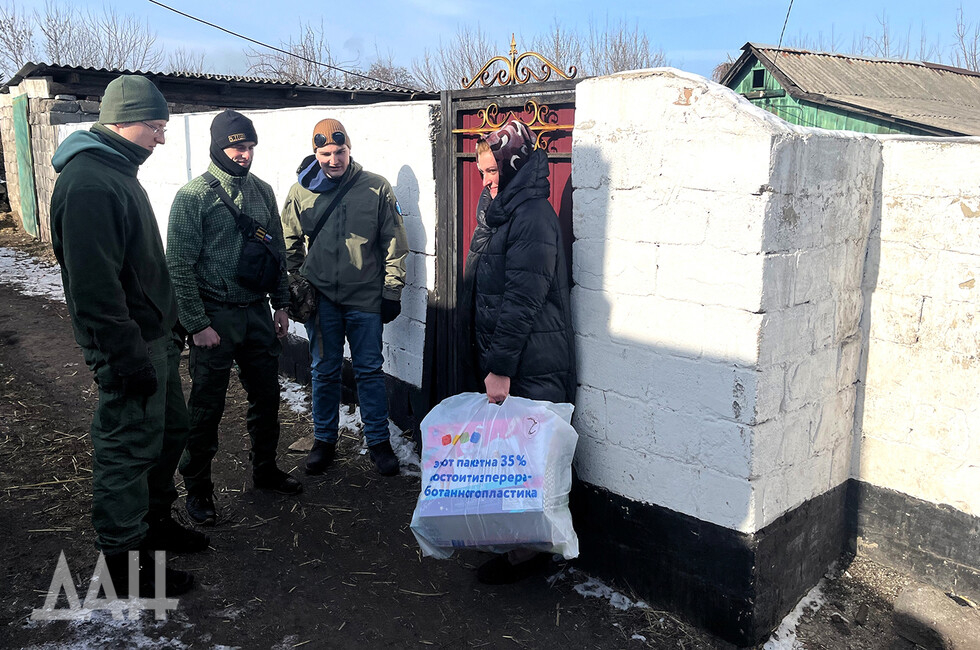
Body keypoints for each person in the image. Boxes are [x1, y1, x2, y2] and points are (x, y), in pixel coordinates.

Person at [50, 74, 206, 598]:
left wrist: (172, 318)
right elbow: (94, 287)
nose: (161, 138)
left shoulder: (119, 169)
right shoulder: (90, 181)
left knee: (168, 434)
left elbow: (138, 266)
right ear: (122, 121)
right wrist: (125, 354)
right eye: (155, 127)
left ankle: (155, 525)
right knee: (127, 447)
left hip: (155, 337)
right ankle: (124, 563)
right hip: (130, 347)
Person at [167, 110, 302, 526]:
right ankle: (199, 489)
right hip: (215, 316)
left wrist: (281, 305)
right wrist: (196, 323)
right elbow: (178, 266)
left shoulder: (262, 191)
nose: (244, 155)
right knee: (207, 406)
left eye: (249, 147)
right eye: (236, 146)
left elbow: (276, 253)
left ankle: (265, 469)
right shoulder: (194, 197)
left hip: (257, 313)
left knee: (267, 396)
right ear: (219, 146)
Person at [461, 119, 576, 584]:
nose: (483, 180)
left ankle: (530, 554)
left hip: (530, 360)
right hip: (512, 357)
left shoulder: (533, 217)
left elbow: (522, 301)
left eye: (490, 171)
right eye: (481, 171)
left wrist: (501, 368)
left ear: (511, 167)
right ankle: (519, 545)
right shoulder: (504, 209)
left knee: (530, 459)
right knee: (515, 454)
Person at [281, 119, 409, 477]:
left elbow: (395, 242)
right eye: (325, 153)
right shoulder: (300, 191)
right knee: (324, 370)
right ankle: (324, 440)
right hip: (321, 301)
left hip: (365, 298)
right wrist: (296, 287)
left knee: (369, 370)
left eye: (340, 151)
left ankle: (379, 442)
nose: (333, 160)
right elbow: (288, 245)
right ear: (315, 153)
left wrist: (392, 290)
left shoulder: (376, 188)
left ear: (349, 149)